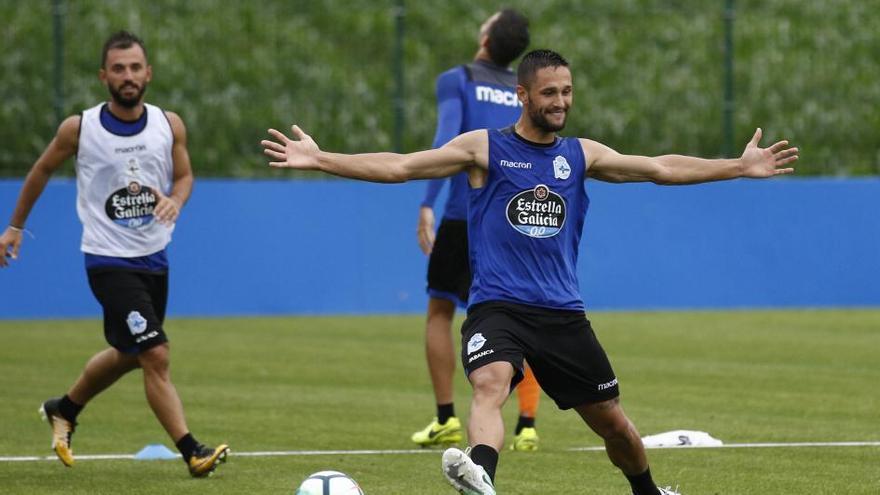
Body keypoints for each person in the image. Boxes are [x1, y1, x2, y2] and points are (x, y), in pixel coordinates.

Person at [261, 49, 797, 495]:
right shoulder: (483, 149)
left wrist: (738, 166)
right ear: (523, 95)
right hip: (498, 305)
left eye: (566, 91)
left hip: (562, 314)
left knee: (612, 422)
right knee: (491, 383)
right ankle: (483, 480)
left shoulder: (581, 155)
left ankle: (650, 493)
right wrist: (322, 158)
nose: (560, 101)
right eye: (549, 93)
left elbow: (660, 168)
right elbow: (401, 165)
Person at [0, 31, 228, 478]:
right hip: (107, 259)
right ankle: (192, 451)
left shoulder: (169, 124)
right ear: (104, 76)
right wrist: (14, 227)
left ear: (148, 73)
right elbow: (42, 170)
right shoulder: (80, 128)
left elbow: (184, 178)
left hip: (155, 257)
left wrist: (176, 200)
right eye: (119, 68)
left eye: (135, 67)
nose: (128, 76)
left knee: (130, 353)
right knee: (156, 353)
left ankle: (63, 408)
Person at [412, 8, 542, 452]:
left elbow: (445, 145)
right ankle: (526, 423)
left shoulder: (459, 79)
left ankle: (447, 417)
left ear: (486, 37)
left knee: (440, 311)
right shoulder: (525, 90)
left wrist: (427, 203)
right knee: (523, 314)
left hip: (463, 215)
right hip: (513, 219)